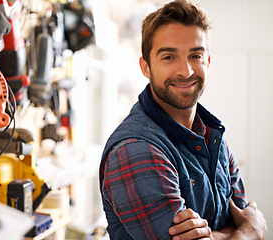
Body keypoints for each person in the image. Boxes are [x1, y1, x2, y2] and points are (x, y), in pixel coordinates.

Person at [99, 0, 267, 239]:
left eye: (195, 55)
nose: (186, 71)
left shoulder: (213, 136)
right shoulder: (136, 149)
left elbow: (241, 213)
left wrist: (217, 234)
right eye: (169, 57)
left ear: (207, 61)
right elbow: (247, 223)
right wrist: (251, 232)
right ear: (145, 67)